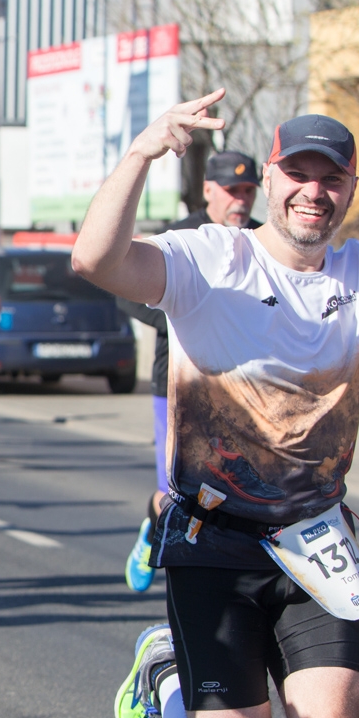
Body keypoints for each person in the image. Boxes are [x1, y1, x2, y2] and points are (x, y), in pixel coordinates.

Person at [74, 100, 359, 718]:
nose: (312, 191)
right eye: (299, 174)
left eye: (331, 178)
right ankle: (165, 673)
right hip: (214, 541)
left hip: (318, 546)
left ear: (350, 189)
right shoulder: (210, 259)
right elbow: (95, 260)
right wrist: (144, 149)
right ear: (272, 177)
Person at [119, 150, 261, 592]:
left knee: (239, 491)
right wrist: (186, 314)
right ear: (207, 190)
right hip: (178, 385)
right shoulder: (181, 237)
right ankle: (152, 526)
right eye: (231, 191)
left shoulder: (266, 240)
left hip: (244, 389)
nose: (240, 200)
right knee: (177, 493)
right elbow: (124, 291)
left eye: (248, 191)